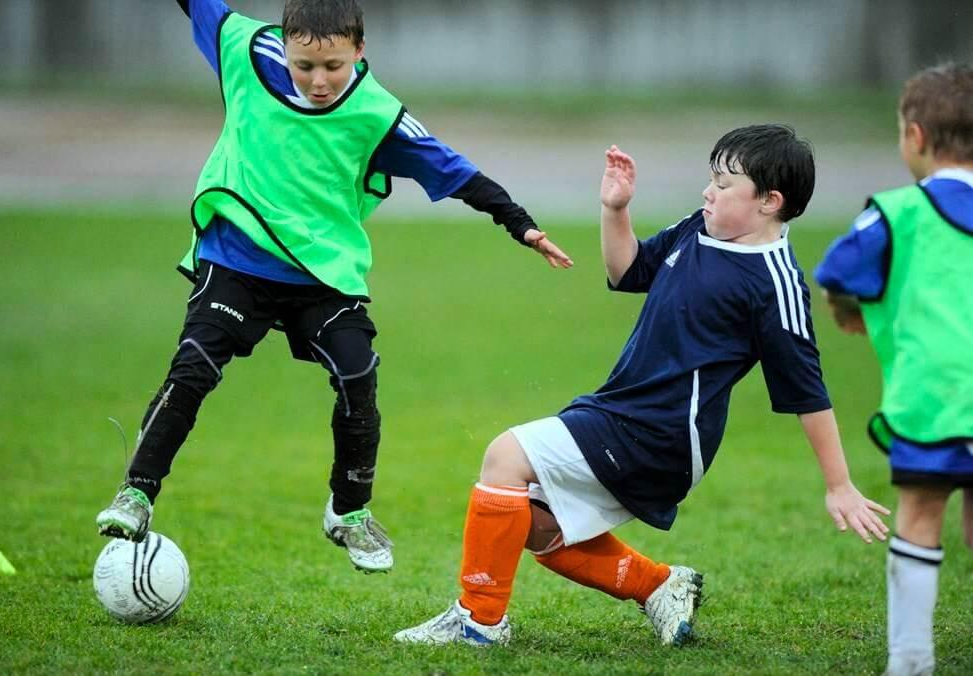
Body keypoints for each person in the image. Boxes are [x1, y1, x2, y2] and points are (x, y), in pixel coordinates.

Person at [95, 0, 572, 575]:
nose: (318, 81)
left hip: (322, 273)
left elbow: (454, 170)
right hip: (236, 256)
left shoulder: (377, 114)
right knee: (193, 366)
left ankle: (348, 512)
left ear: (360, 52)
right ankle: (137, 493)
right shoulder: (242, 48)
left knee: (357, 373)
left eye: (334, 68)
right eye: (304, 67)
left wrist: (520, 224)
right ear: (285, 44)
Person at [394, 125, 890, 647]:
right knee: (537, 522)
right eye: (710, 179)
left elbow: (807, 393)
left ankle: (479, 622)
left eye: (724, 185)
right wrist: (616, 209)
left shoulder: (775, 282)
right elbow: (627, 269)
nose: (708, 192)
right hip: (621, 410)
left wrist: (839, 485)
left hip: (664, 435)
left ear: (770, 202)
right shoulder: (697, 231)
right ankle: (659, 586)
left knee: (504, 457)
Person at [814, 62, 973, 676]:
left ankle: (910, 660)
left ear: (915, 137)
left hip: (931, 400)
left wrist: (846, 310)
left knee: (922, 514)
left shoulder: (896, 212)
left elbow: (836, 271)